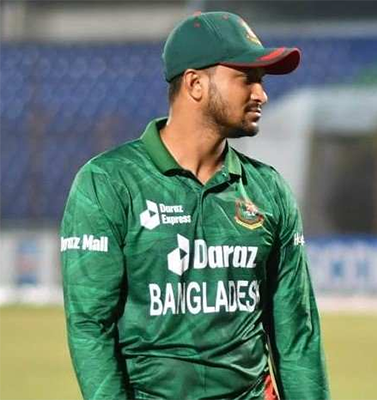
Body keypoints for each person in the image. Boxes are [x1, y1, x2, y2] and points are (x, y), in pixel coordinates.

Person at [60, 11, 329, 400]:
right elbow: (90, 326)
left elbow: (297, 335)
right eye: (247, 78)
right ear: (195, 84)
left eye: (262, 80)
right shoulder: (108, 182)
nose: (261, 94)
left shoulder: (269, 190)